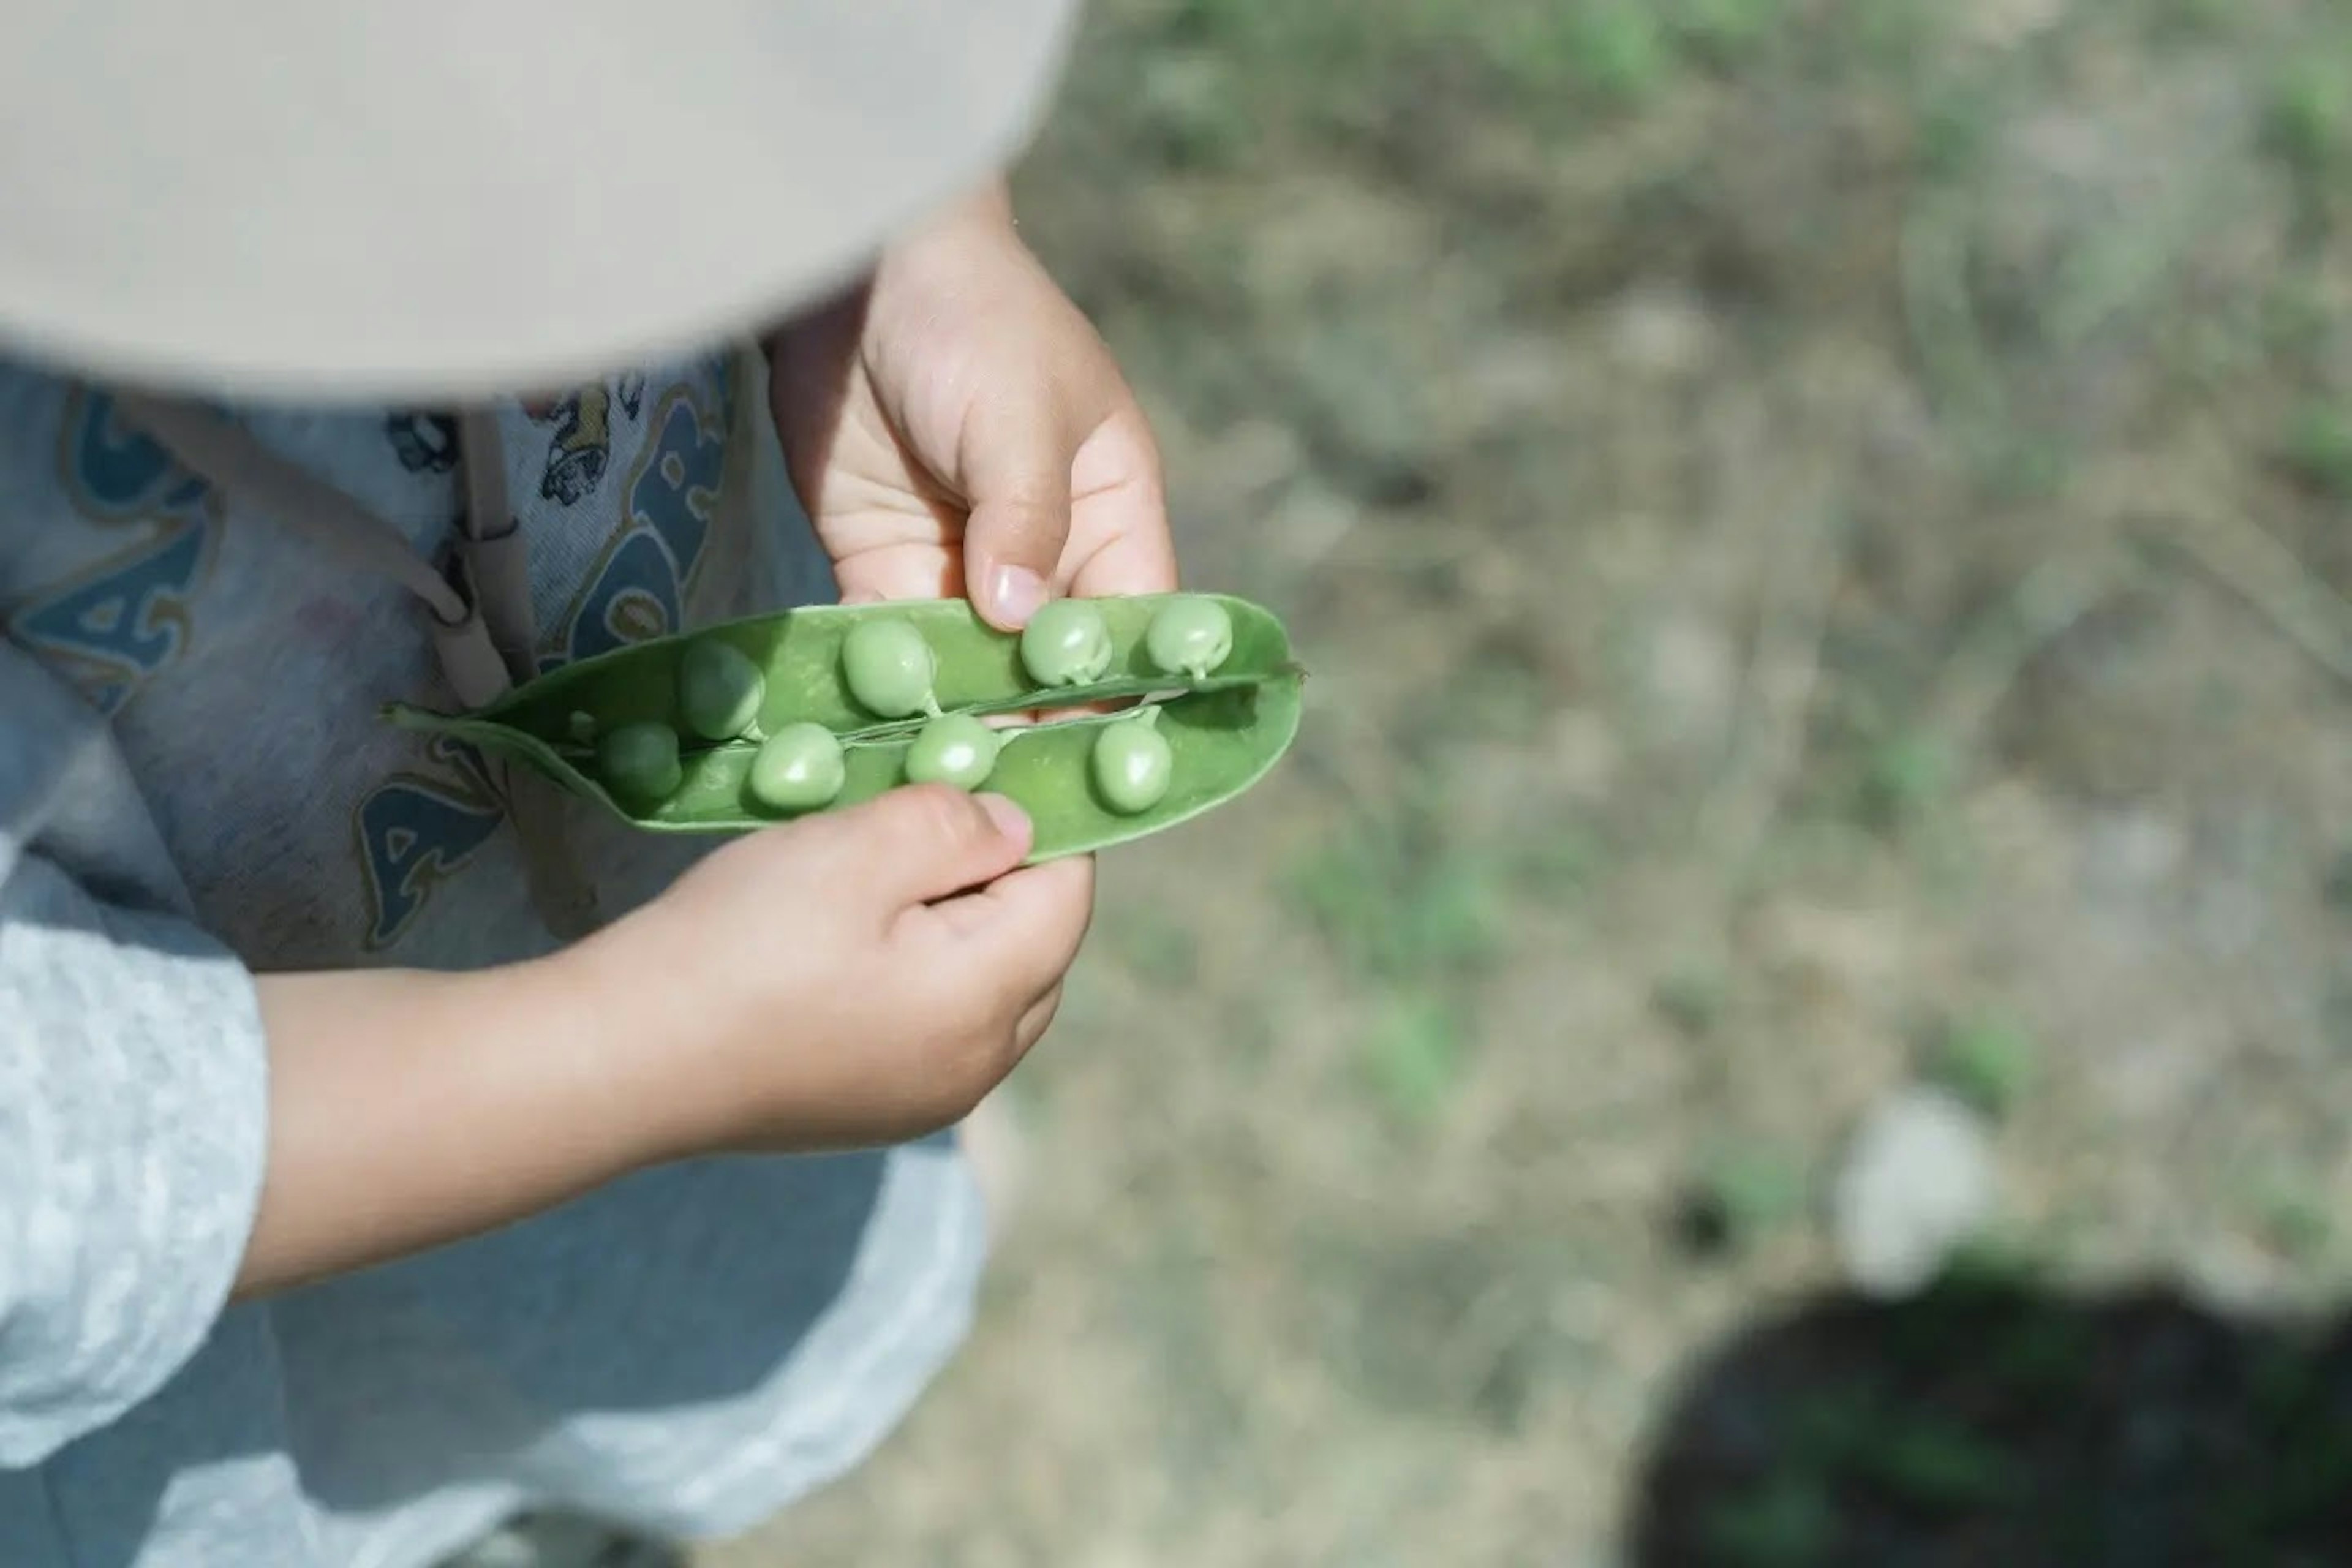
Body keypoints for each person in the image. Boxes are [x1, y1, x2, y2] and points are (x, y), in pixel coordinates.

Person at [0, 3, 1176, 1564]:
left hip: (698, 988)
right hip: (236, 1321)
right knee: (397, 1472)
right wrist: (664, 1050)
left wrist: (903, 231)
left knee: (605, 1361)